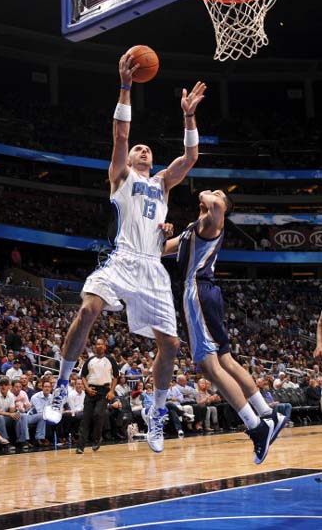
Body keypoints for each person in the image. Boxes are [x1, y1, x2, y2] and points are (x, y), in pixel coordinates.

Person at [44, 52, 206, 454]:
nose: (143, 149)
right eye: (139, 148)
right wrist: (126, 86)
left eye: (148, 149)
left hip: (152, 269)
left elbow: (190, 158)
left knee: (169, 345)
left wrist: (188, 118)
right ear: (129, 159)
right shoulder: (120, 178)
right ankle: (61, 387)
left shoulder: (164, 183)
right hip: (121, 259)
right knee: (88, 309)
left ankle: (157, 412)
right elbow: (119, 133)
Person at [163, 189, 287, 464]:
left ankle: (256, 427)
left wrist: (211, 195)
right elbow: (161, 249)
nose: (213, 194)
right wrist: (160, 232)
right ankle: (267, 412)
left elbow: (216, 204)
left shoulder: (212, 223)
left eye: (219, 194)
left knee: (210, 367)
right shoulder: (192, 229)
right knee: (226, 359)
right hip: (204, 293)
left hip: (197, 292)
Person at [76, 338, 119, 454]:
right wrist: (87, 388)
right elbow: (83, 376)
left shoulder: (110, 360)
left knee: (98, 414)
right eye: (97, 344)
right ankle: (80, 446)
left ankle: (97, 439)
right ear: (95, 347)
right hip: (91, 391)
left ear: (105, 346)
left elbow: (116, 376)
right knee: (86, 418)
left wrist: (111, 391)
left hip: (104, 391)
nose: (99, 346)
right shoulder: (89, 360)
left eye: (101, 344)